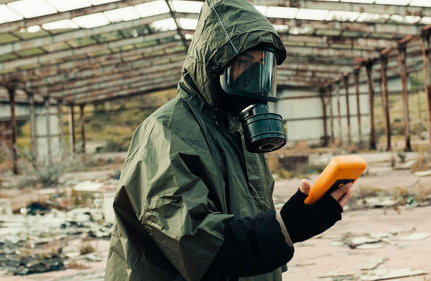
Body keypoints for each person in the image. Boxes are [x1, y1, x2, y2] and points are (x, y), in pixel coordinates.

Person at [104, 0, 352, 280]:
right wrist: (286, 227)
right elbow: (196, 245)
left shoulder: (238, 131)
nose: (254, 79)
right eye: (245, 63)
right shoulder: (165, 132)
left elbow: (248, 225)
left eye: (263, 66)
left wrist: (301, 217)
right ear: (214, 66)